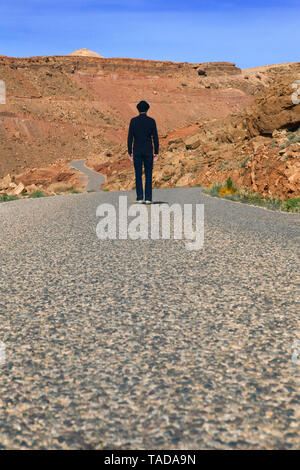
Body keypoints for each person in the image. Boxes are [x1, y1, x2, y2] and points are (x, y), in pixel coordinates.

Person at [127, 100, 159, 204]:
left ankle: (140, 197)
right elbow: (155, 138)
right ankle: (148, 198)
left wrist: (129, 152)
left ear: (138, 109)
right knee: (149, 174)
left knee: (138, 174)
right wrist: (156, 152)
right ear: (147, 109)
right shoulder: (151, 121)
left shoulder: (133, 121)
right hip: (148, 151)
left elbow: (130, 137)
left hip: (137, 151)